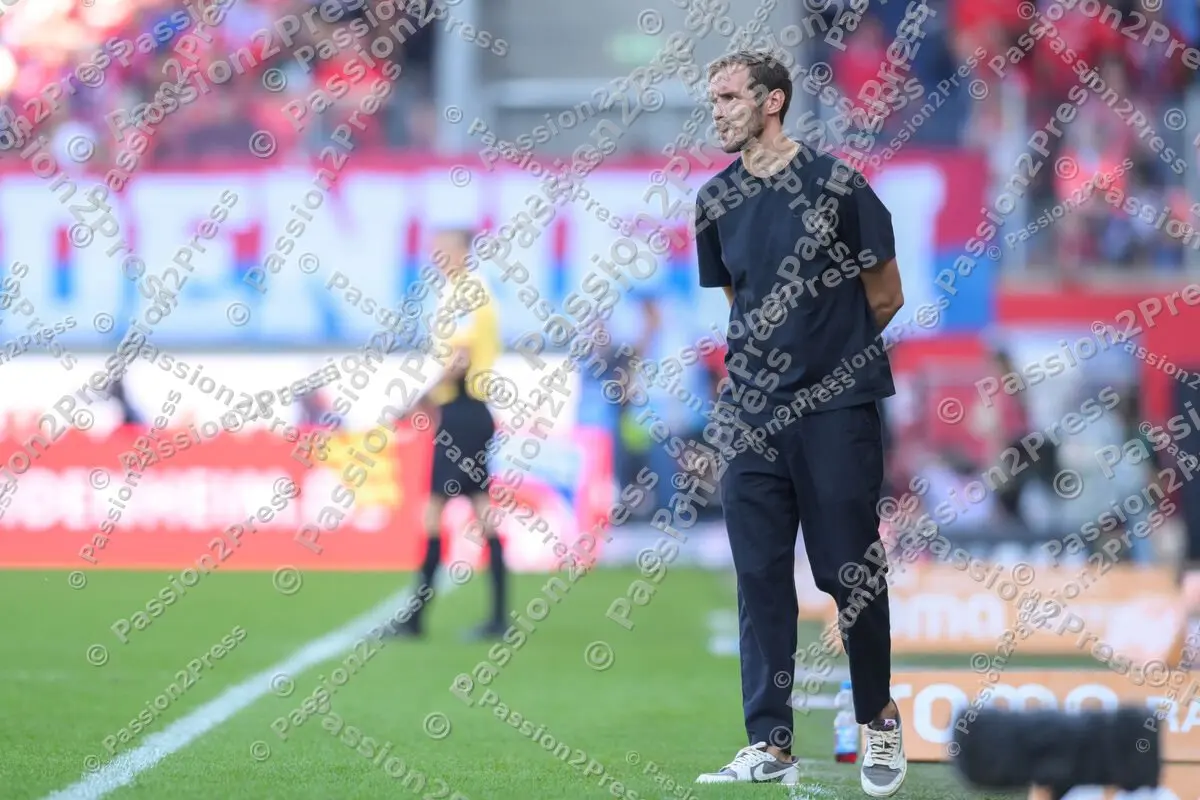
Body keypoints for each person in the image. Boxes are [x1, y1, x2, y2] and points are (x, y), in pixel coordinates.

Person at [692, 50, 907, 797]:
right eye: (711, 99)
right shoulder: (713, 200)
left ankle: (878, 720)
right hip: (749, 416)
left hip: (836, 411)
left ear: (772, 100)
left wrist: (827, 358)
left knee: (849, 571)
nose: (715, 110)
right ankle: (768, 741)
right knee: (758, 578)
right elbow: (739, 308)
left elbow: (886, 294)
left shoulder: (839, 185)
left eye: (727, 96)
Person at [391, 229, 507, 642]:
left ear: (459, 251)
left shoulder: (466, 291)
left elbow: (460, 358)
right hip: (469, 413)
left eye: (441, 249)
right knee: (480, 510)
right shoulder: (470, 290)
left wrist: (417, 401)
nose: (434, 256)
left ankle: (417, 618)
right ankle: (496, 617)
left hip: (461, 412)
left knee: (436, 512)